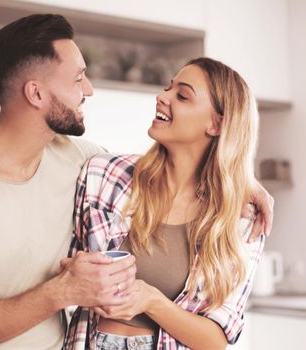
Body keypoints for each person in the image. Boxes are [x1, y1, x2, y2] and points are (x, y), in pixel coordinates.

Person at [0, 14, 273, 349]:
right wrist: (64, 291)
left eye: (182, 94)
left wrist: (241, 183)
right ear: (36, 93)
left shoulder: (79, 160)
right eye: (78, 78)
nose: (90, 89)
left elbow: (182, 170)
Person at [65, 57, 264, 350]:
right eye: (168, 88)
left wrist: (151, 301)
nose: (162, 97)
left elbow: (216, 340)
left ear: (216, 124)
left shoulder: (241, 220)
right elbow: (64, 271)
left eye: (182, 96)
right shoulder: (104, 174)